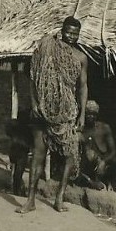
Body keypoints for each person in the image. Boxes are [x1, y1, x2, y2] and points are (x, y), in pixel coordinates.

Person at [17, 16, 88, 214]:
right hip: (43, 112)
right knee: (38, 153)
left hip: (67, 113)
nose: (72, 37)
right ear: (62, 30)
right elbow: (33, 78)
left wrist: (82, 114)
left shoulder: (81, 58)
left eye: (75, 34)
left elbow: (82, 87)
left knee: (69, 156)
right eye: (69, 32)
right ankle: (30, 200)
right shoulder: (46, 50)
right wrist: (34, 103)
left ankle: (59, 198)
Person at [77, 100, 116, 191]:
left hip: (104, 163)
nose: (90, 116)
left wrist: (103, 162)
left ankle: (108, 180)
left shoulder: (104, 128)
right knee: (89, 156)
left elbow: (113, 152)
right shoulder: (81, 130)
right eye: (88, 113)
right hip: (89, 166)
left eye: (93, 114)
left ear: (97, 115)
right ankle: (93, 181)